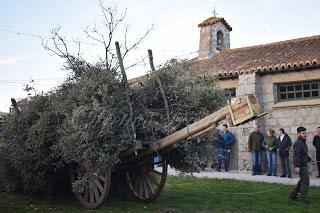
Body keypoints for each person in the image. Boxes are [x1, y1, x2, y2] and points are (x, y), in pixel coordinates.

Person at [290, 126, 312, 204]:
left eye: (305, 133)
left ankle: (293, 195)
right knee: (305, 182)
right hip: (301, 166)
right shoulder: (298, 143)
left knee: (302, 181)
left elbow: (304, 153)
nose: (305, 134)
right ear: (299, 134)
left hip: (304, 164)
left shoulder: (303, 142)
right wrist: (297, 166)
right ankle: (304, 199)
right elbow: (297, 155)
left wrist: (309, 159)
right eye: (303, 133)